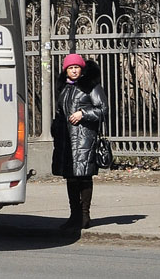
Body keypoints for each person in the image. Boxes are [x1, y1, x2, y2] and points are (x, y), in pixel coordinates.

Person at [51, 53, 107, 230]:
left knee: (84, 177)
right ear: (65, 70)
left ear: (81, 69)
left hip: (84, 138)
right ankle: (73, 216)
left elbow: (103, 109)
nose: (74, 71)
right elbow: (60, 112)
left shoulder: (91, 86)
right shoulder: (65, 88)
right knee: (71, 178)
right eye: (70, 68)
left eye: (76, 67)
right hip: (67, 140)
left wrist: (83, 114)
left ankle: (84, 215)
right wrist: (56, 128)